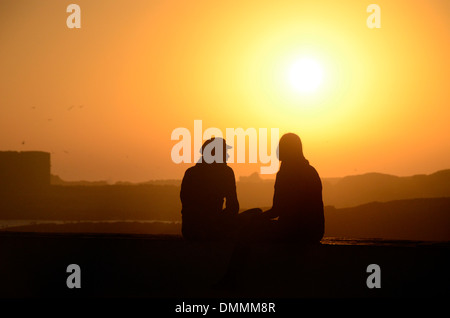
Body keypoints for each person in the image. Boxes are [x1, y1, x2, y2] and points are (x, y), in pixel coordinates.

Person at [180, 137, 260, 241]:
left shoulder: (191, 173)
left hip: (191, 229)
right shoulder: (226, 173)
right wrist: (218, 222)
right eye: (224, 152)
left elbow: (187, 207)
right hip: (212, 228)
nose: (227, 156)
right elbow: (233, 207)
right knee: (256, 213)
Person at [258, 132, 325, 243]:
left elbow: (277, 210)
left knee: (252, 232)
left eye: (280, 146)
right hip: (315, 232)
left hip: (294, 231)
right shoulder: (311, 171)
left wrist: (257, 218)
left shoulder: (285, 174)